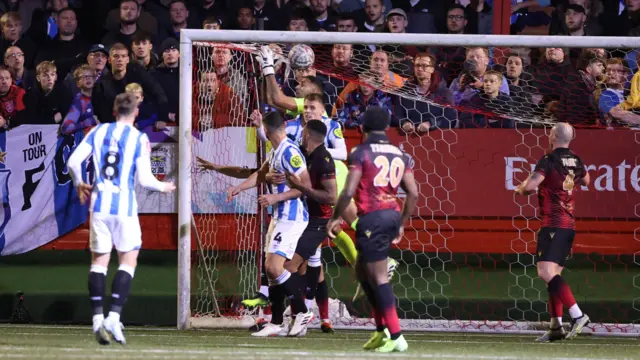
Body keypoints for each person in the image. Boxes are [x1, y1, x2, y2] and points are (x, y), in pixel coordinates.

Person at [66, 92, 176, 345]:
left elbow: (73, 161)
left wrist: (79, 183)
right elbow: (146, 180)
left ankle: (96, 318)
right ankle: (114, 316)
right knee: (128, 261)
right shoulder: (139, 138)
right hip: (124, 208)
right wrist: (165, 188)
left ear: (114, 110)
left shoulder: (97, 131)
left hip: (99, 206)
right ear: (136, 112)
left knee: (98, 263)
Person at [327, 107, 418, 352]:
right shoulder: (398, 154)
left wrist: (336, 218)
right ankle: (380, 330)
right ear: (387, 127)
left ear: (362, 128)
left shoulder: (361, 152)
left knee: (377, 277)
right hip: (390, 215)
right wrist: (401, 222)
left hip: (372, 217)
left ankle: (396, 335)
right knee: (362, 273)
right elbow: (413, 192)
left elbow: (348, 191)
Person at [227, 111, 314, 337]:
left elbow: (306, 185)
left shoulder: (290, 152)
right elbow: (260, 174)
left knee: (276, 268)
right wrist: (239, 188)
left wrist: (275, 198)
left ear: (266, 130)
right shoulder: (275, 151)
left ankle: (303, 311)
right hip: (278, 217)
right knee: (272, 271)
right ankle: (276, 322)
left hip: (292, 217)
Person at [515, 122, 591, 342]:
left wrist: (521, 188)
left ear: (552, 136)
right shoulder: (577, 160)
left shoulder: (548, 161)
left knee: (545, 272)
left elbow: (530, 187)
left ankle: (577, 315)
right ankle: (556, 327)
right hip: (568, 224)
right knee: (553, 276)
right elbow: (586, 180)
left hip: (553, 224)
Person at [286, 120, 337, 333]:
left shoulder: (324, 160)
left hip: (318, 222)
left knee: (288, 268)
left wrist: (300, 187)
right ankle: (297, 317)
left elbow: (331, 196)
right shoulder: (307, 155)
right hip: (305, 219)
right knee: (302, 267)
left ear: (307, 134)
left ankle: (302, 313)